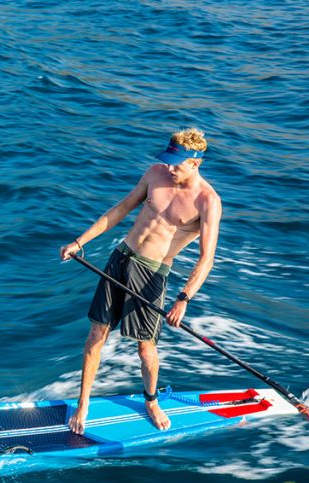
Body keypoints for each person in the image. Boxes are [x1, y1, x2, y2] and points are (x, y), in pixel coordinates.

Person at [58, 128, 222, 435]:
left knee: (145, 349)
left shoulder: (207, 202)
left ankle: (151, 401)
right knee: (96, 334)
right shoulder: (155, 173)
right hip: (121, 258)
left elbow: (206, 259)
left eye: (178, 163)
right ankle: (83, 404)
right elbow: (120, 210)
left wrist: (183, 299)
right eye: (168, 160)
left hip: (151, 273)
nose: (170, 168)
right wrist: (79, 242)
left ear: (196, 163)